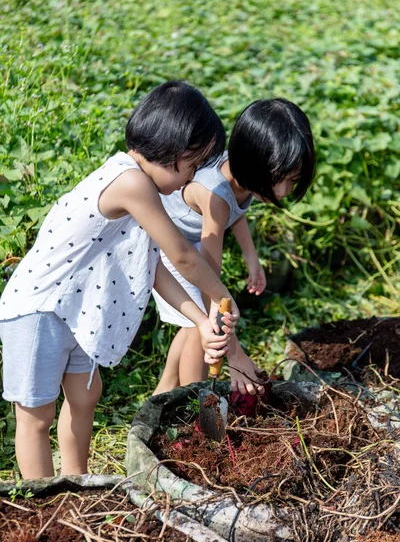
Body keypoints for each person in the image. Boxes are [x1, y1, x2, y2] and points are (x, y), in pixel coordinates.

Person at [0, 80, 240, 479]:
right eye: (194, 165)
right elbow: (182, 254)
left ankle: (77, 486)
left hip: (77, 310)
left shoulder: (140, 186)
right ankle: (43, 502)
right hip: (39, 308)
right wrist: (222, 295)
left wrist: (201, 321)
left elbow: (156, 269)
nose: (190, 179)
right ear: (177, 154)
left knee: (84, 397)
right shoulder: (130, 183)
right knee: (36, 415)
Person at [152, 98, 315, 396]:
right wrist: (236, 355)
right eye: (282, 179)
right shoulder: (213, 194)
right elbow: (209, 290)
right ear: (254, 162)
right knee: (198, 329)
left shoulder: (240, 173)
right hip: (172, 250)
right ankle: (198, 398)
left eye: (293, 181)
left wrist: (250, 256)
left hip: (192, 245)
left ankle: (164, 391)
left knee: (194, 325)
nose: (284, 192)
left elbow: (235, 212)